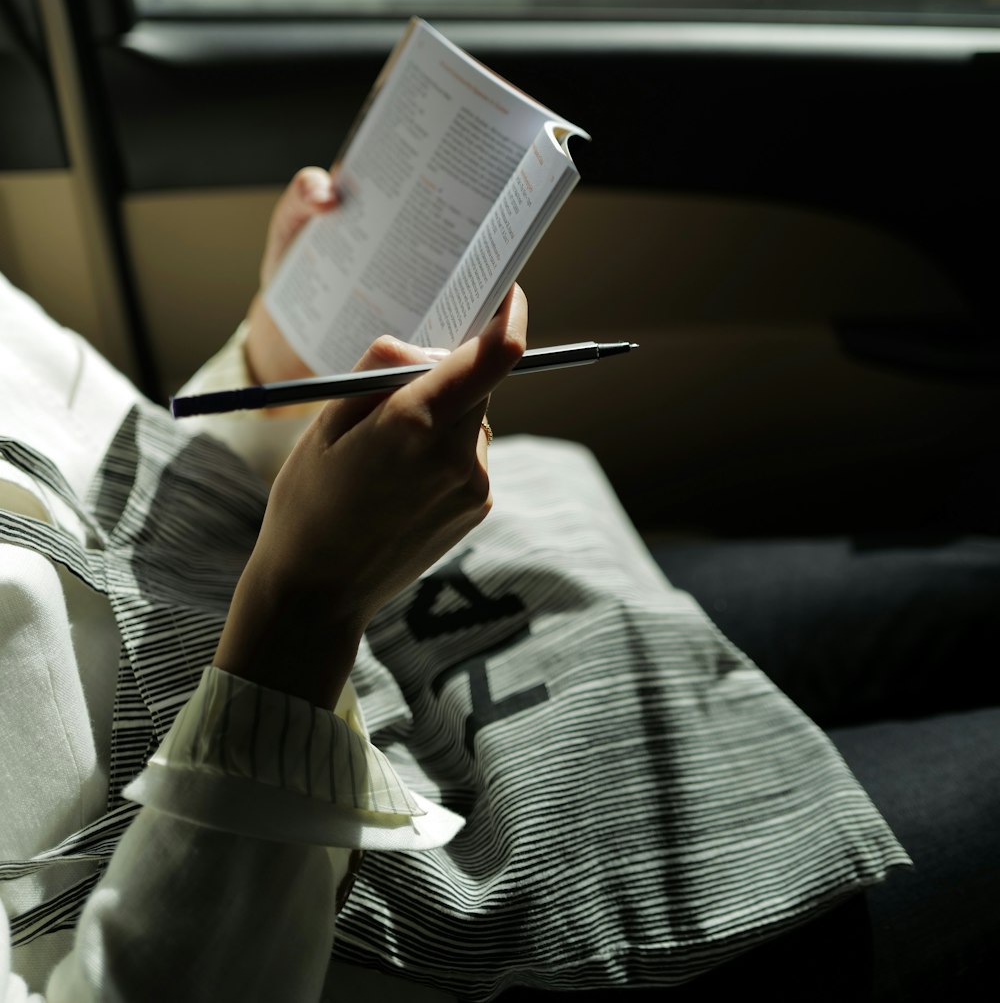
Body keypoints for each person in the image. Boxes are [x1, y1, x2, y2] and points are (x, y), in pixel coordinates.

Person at [0, 168, 996, 1002]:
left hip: (367, 633)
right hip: (323, 863)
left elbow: (93, 487)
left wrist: (273, 357)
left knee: (963, 582)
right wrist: (305, 606)